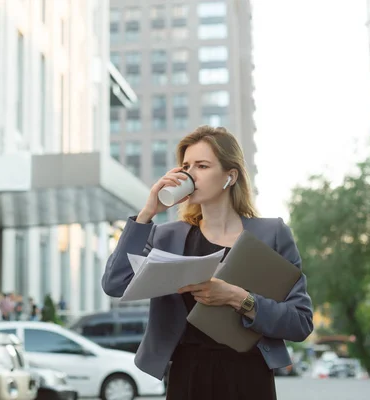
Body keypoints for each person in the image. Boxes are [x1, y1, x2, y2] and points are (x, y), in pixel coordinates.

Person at [102, 126, 314, 400]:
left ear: (230, 176)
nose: (191, 174)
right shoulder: (166, 236)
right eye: (186, 166)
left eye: (202, 166)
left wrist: (239, 298)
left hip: (249, 376)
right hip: (188, 376)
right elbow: (114, 283)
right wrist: (147, 214)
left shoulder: (271, 234)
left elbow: (300, 322)